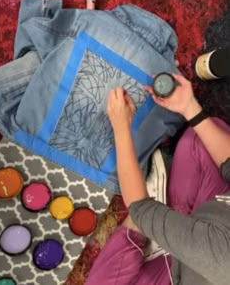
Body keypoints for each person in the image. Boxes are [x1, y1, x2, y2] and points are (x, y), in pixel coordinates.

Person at [86, 74, 230, 285]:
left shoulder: (214, 255)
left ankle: (161, 215)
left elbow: (140, 208)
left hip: (184, 266)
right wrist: (190, 108)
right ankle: (168, 215)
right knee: (200, 138)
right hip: (204, 235)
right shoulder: (216, 252)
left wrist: (121, 126)